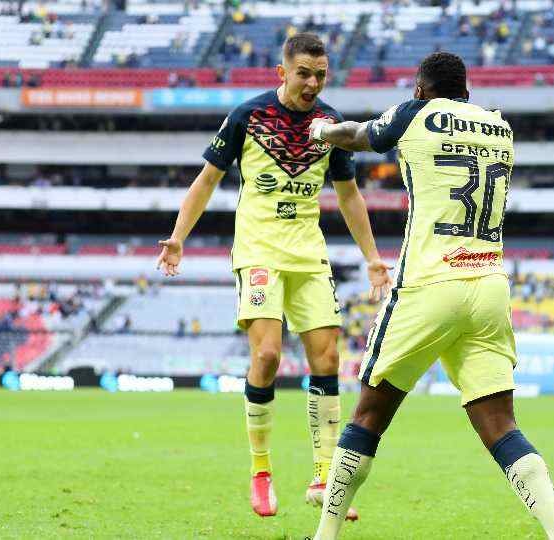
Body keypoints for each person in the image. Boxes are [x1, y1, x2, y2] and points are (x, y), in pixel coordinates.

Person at [306, 52, 554, 539]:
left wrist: (322, 132)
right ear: (466, 89)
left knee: (369, 414)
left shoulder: (415, 114)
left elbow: (360, 136)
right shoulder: (500, 127)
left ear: (420, 87)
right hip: (490, 285)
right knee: (501, 424)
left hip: (430, 283)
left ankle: (323, 537)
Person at [156, 33, 391, 519]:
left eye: (320, 74)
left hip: (308, 253)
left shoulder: (330, 124)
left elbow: (348, 195)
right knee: (265, 355)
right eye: (304, 73)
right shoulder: (248, 116)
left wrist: (371, 256)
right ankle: (261, 470)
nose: (312, 82)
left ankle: (325, 476)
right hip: (259, 250)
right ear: (282, 73)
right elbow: (206, 181)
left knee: (327, 357)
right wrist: (179, 236)